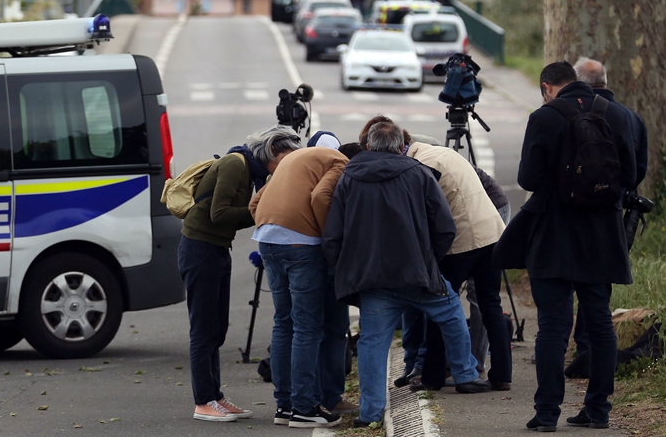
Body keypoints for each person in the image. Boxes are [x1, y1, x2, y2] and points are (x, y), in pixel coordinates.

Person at [323, 122, 489, 428]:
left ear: (369, 147)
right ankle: (466, 374)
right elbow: (445, 226)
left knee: (373, 343)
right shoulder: (419, 174)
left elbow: (333, 234)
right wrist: (431, 260)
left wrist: (344, 269)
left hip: (372, 279)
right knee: (451, 313)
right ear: (402, 146)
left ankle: (371, 413)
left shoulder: (349, 178)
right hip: (417, 273)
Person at [517, 61, 635, 431]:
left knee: (552, 326)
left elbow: (529, 178)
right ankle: (598, 410)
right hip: (602, 235)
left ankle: (547, 413)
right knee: (600, 324)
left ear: (547, 86)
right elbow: (630, 176)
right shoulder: (616, 115)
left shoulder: (544, 117)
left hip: (554, 234)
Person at [178, 125, 302, 423]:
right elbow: (218, 214)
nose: (289, 164)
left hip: (217, 248)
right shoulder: (236, 164)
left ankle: (215, 396)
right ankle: (203, 401)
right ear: (273, 150)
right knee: (204, 329)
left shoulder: (253, 172)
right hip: (200, 249)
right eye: (288, 156)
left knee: (217, 328)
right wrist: (261, 210)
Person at [249, 134, 349, 428]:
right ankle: (305, 407)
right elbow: (321, 197)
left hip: (267, 241)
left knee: (284, 323)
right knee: (308, 326)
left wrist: (275, 226)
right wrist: (324, 238)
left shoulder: (293, 159)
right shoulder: (339, 161)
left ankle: (285, 404)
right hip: (302, 246)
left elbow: (256, 202)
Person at [568, 57, 648, 371]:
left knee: (573, 283)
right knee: (600, 287)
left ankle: (579, 348)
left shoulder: (576, 115)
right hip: (615, 212)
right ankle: (589, 350)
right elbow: (638, 169)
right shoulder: (631, 117)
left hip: (578, 213)